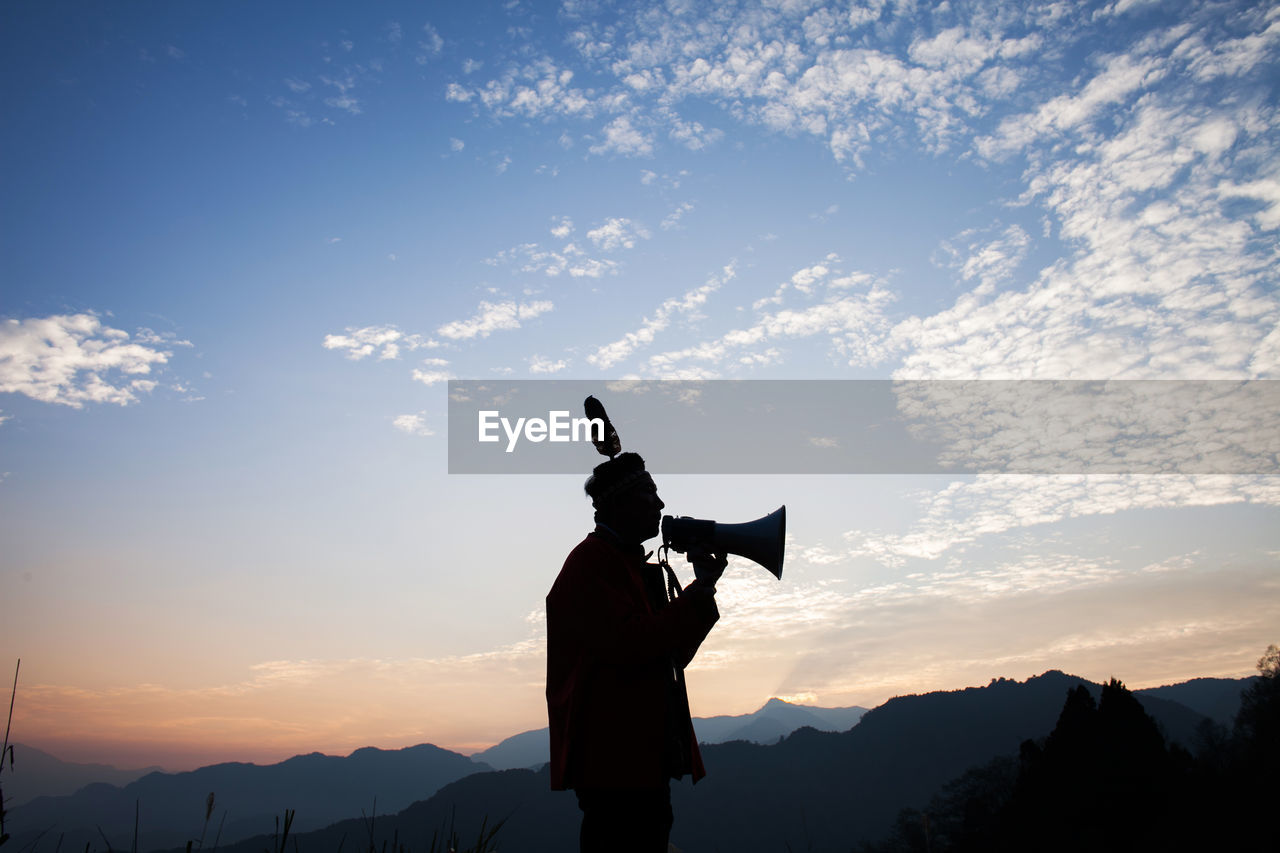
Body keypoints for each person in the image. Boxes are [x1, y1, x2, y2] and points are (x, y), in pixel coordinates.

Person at [546, 451, 726, 853]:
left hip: (635, 755)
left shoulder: (627, 566)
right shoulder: (590, 563)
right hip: (615, 759)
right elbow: (633, 643)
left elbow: (670, 654)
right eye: (649, 494)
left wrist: (703, 588)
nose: (660, 506)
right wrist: (695, 596)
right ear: (619, 503)